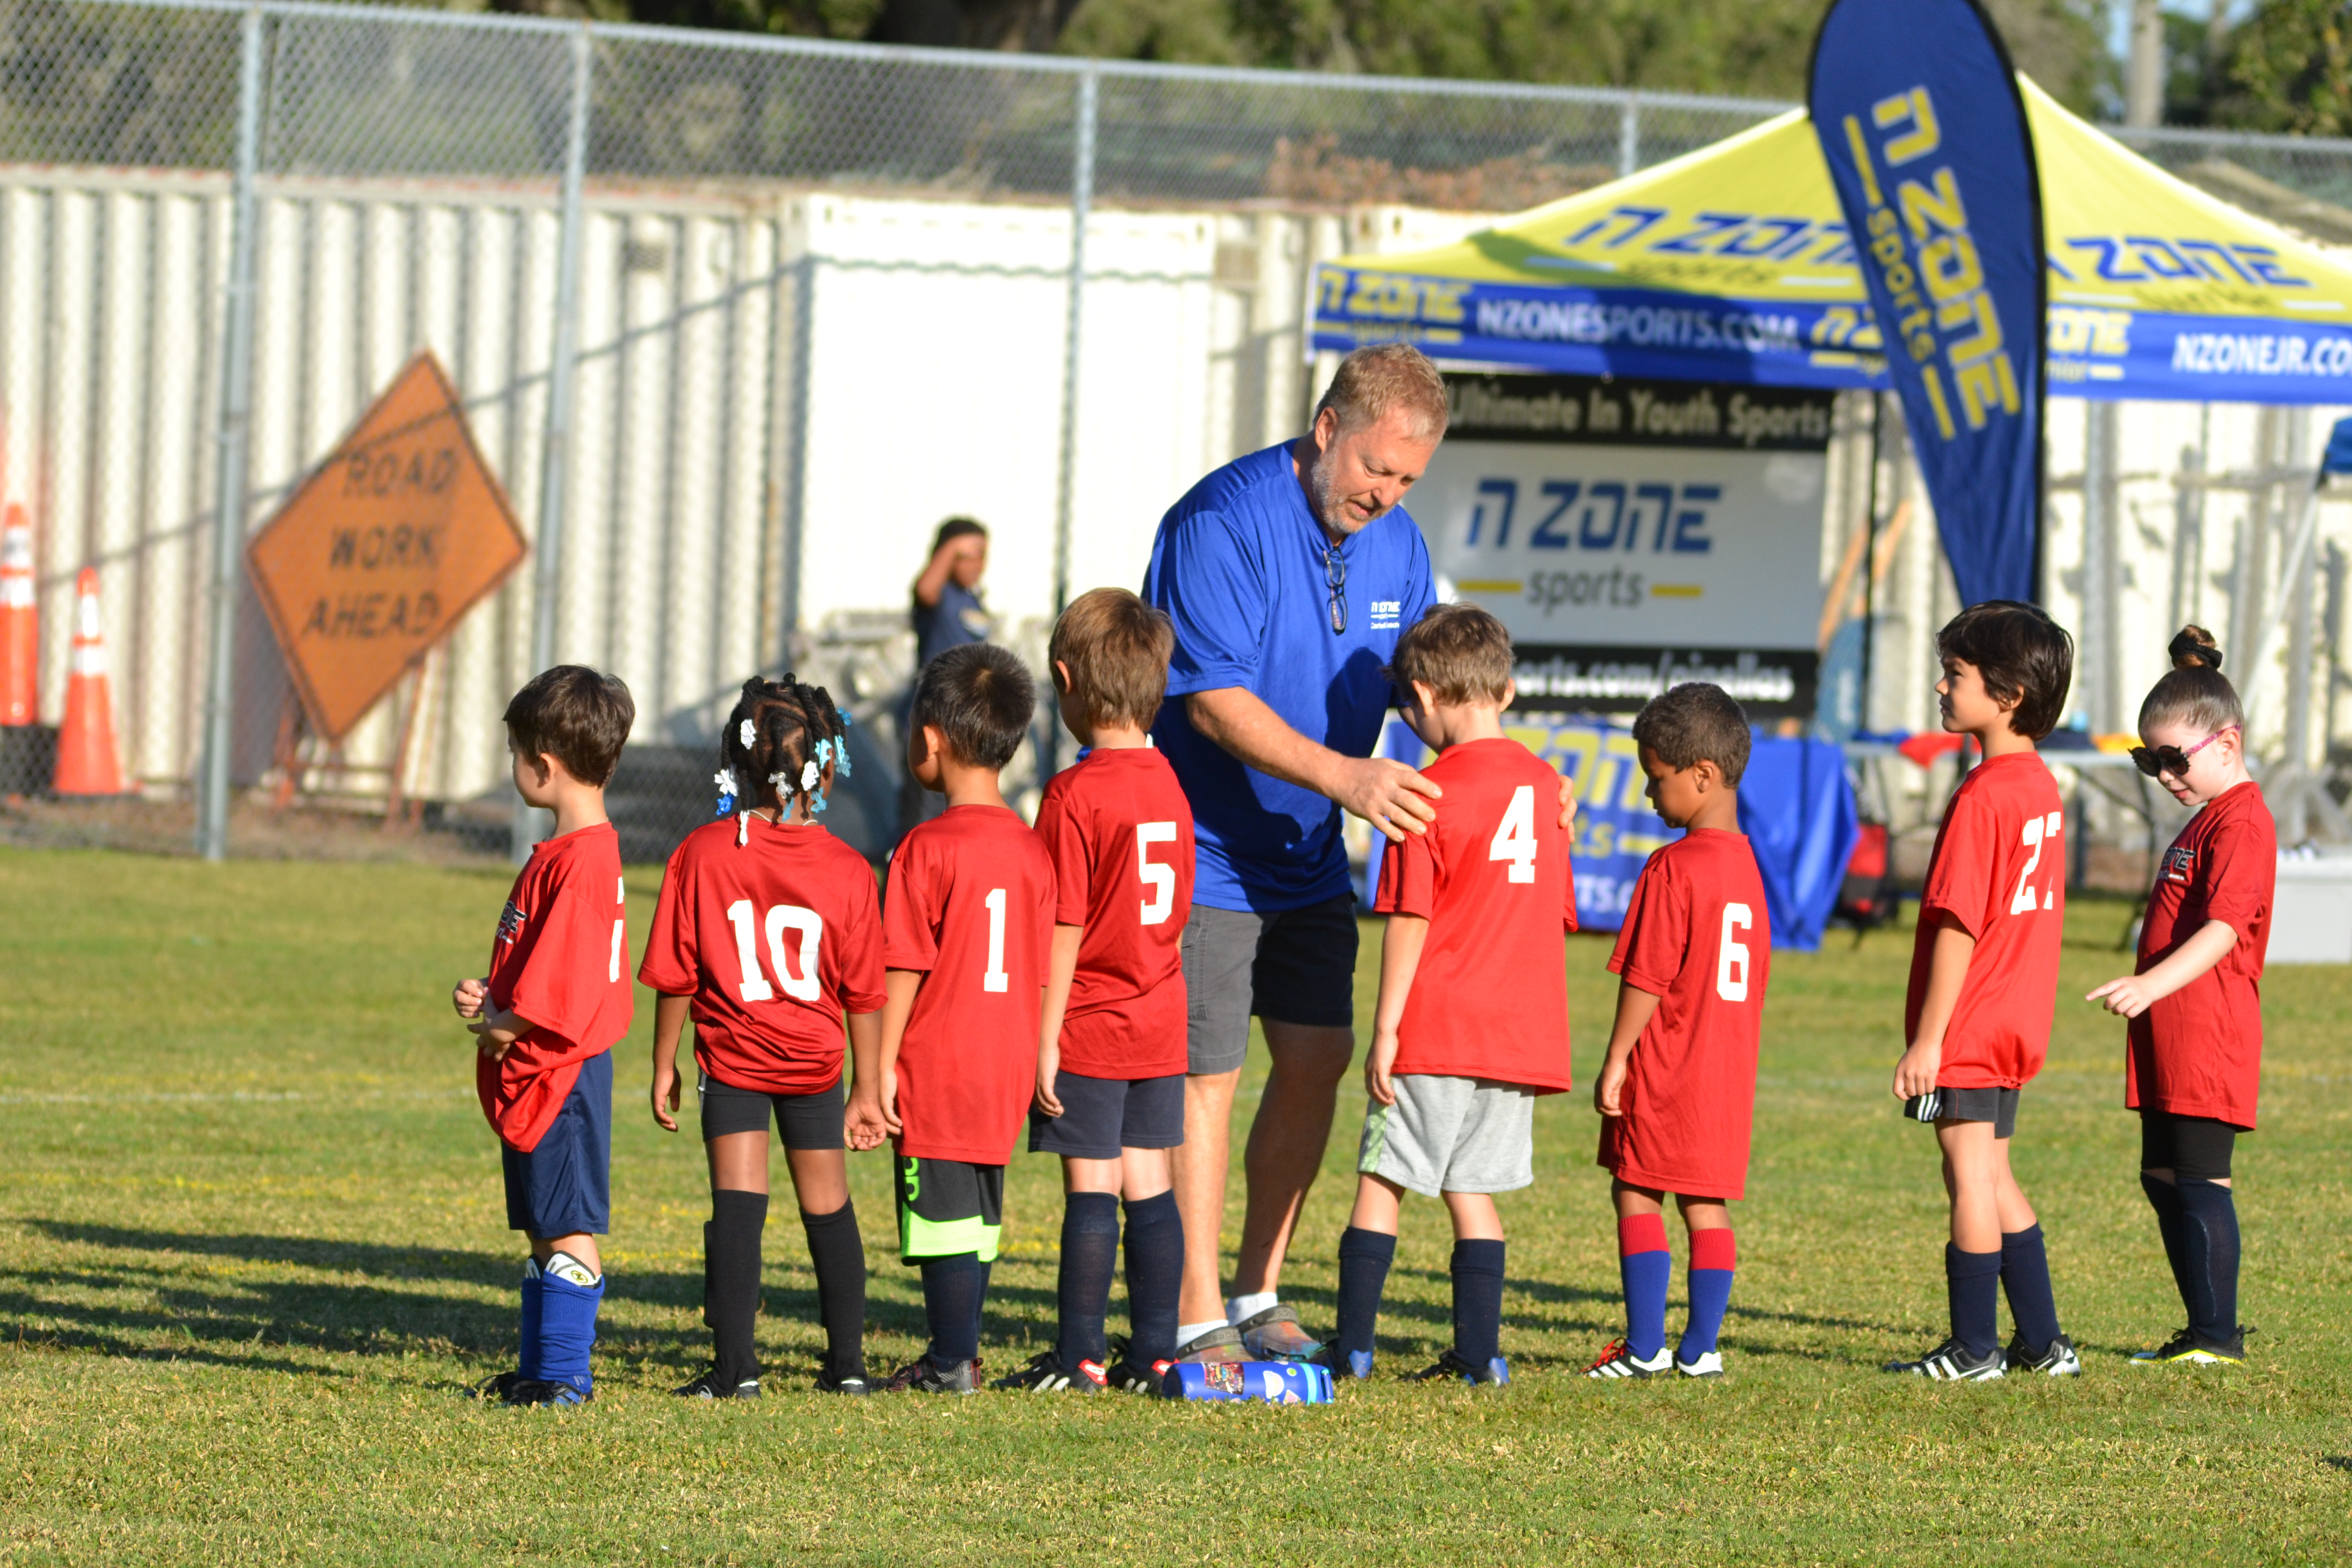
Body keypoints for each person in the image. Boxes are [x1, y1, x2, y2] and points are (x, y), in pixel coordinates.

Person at [1143, 342, 1573, 1364]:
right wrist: (1344, 777)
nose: (1387, 494)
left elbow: (1442, 684)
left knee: (1319, 1060)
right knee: (1209, 1074)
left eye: (1409, 480)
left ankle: (1257, 1290)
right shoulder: (1221, 522)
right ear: (1328, 429)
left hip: (1308, 860)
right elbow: (1210, 699)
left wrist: (1527, 772)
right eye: (1378, 470)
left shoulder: (1403, 547)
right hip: (1209, 856)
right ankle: (1196, 1311)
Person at [1318, 604, 1574, 1388]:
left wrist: (1387, 1029)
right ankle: (1479, 1355)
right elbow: (1555, 914)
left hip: (1439, 1024)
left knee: (1382, 1181)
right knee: (1473, 1190)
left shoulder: (1421, 795)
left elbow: (1410, 919)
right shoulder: (1548, 791)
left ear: (1424, 696)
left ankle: (1353, 1347)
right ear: (1507, 690)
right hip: (1520, 1033)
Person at [639, 675, 888, 1400]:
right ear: (829, 766)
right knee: (829, 1208)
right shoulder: (847, 870)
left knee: (739, 1207)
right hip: (815, 1064)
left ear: (736, 763)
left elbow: (676, 974)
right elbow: (864, 993)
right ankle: (847, 1367)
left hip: (736, 1061)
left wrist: (664, 1064)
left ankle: (736, 1370)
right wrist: (869, 1088)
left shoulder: (704, 853)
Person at [995, 590, 1194, 1395]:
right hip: (1160, 1015)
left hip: (1092, 1022)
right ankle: (1155, 1354)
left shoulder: (1077, 795)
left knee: (1091, 1185)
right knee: (1150, 1182)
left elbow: (1063, 927)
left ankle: (1078, 1354)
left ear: (1066, 678)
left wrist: (1044, 1039)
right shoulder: (1171, 785)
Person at [1885, 602, 2080, 1382]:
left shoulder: (1983, 795)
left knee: (1966, 1172)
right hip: (2017, 1015)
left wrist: (1929, 1041)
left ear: (2008, 696)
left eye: (1956, 675)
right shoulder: (2039, 785)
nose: (1940, 686)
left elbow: (1959, 926)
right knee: (1993, 1171)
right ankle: (2043, 1342)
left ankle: (1974, 1349)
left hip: (1971, 1019)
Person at [2087, 626, 2273, 1366]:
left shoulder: (2245, 820)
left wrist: (2148, 984)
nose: (2164, 774)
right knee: (2161, 1175)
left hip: (2209, 1028)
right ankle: (2202, 1326)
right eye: (2149, 761)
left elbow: (2227, 928)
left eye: (2175, 759)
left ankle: (2218, 1339)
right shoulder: (2204, 816)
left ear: (2227, 743)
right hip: (2169, 1026)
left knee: (2199, 1177)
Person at [451, 666, 636, 1408]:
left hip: (564, 1070)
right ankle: (539, 1370)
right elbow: (546, 959)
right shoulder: (570, 852)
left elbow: (565, 982)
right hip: (539, 1062)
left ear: (543, 765)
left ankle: (564, 1377)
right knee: (541, 1227)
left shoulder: (585, 860)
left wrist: (507, 1021)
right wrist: (493, 996)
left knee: (568, 1229)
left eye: (515, 753)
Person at [876, 642, 1055, 1392]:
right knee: (977, 1214)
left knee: (943, 1219)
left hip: (940, 1061)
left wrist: (879, 1067)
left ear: (930, 739)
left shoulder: (924, 847)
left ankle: (951, 1362)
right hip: (1006, 1057)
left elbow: (905, 965)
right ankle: (962, 1350)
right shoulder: (1032, 850)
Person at [1583, 682, 1770, 1381]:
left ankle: (1642, 1348)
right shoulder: (1749, 870)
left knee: (1636, 1189)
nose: (1649, 796)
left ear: (1702, 775)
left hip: (1669, 1060)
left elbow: (1647, 979)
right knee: (1705, 1202)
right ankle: (1701, 1348)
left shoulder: (1673, 867)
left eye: (1656, 780)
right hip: (1727, 1068)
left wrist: (1616, 1059)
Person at [901, 519, 994, 838]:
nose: (976, 563)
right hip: (935, 718)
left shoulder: (973, 600)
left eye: (981, 554)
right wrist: (953, 547)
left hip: (967, 721)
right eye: (965, 555)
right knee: (925, 812)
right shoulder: (939, 599)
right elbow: (924, 589)